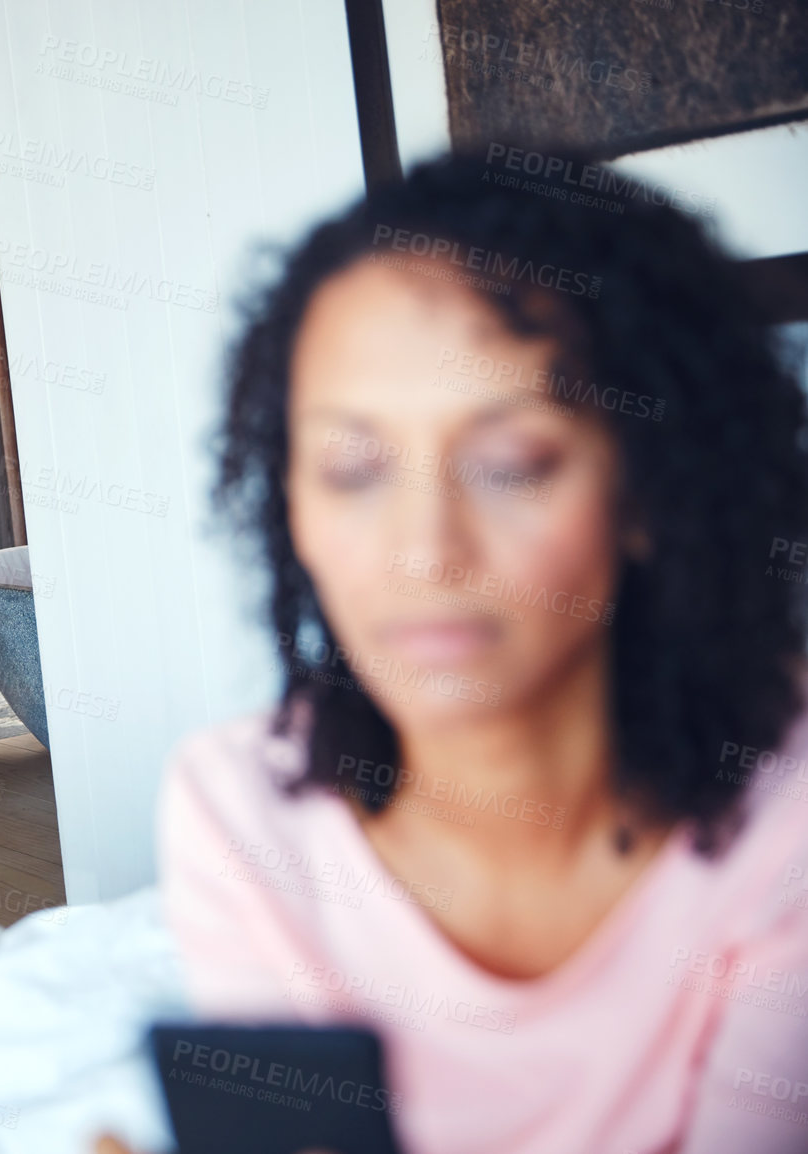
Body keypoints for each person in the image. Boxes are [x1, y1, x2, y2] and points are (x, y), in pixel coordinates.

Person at [101, 155, 808, 1153]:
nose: (425, 551)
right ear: (288, 503)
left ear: (650, 489)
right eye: (352, 468)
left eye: (510, 463)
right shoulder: (243, 808)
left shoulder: (787, 811)